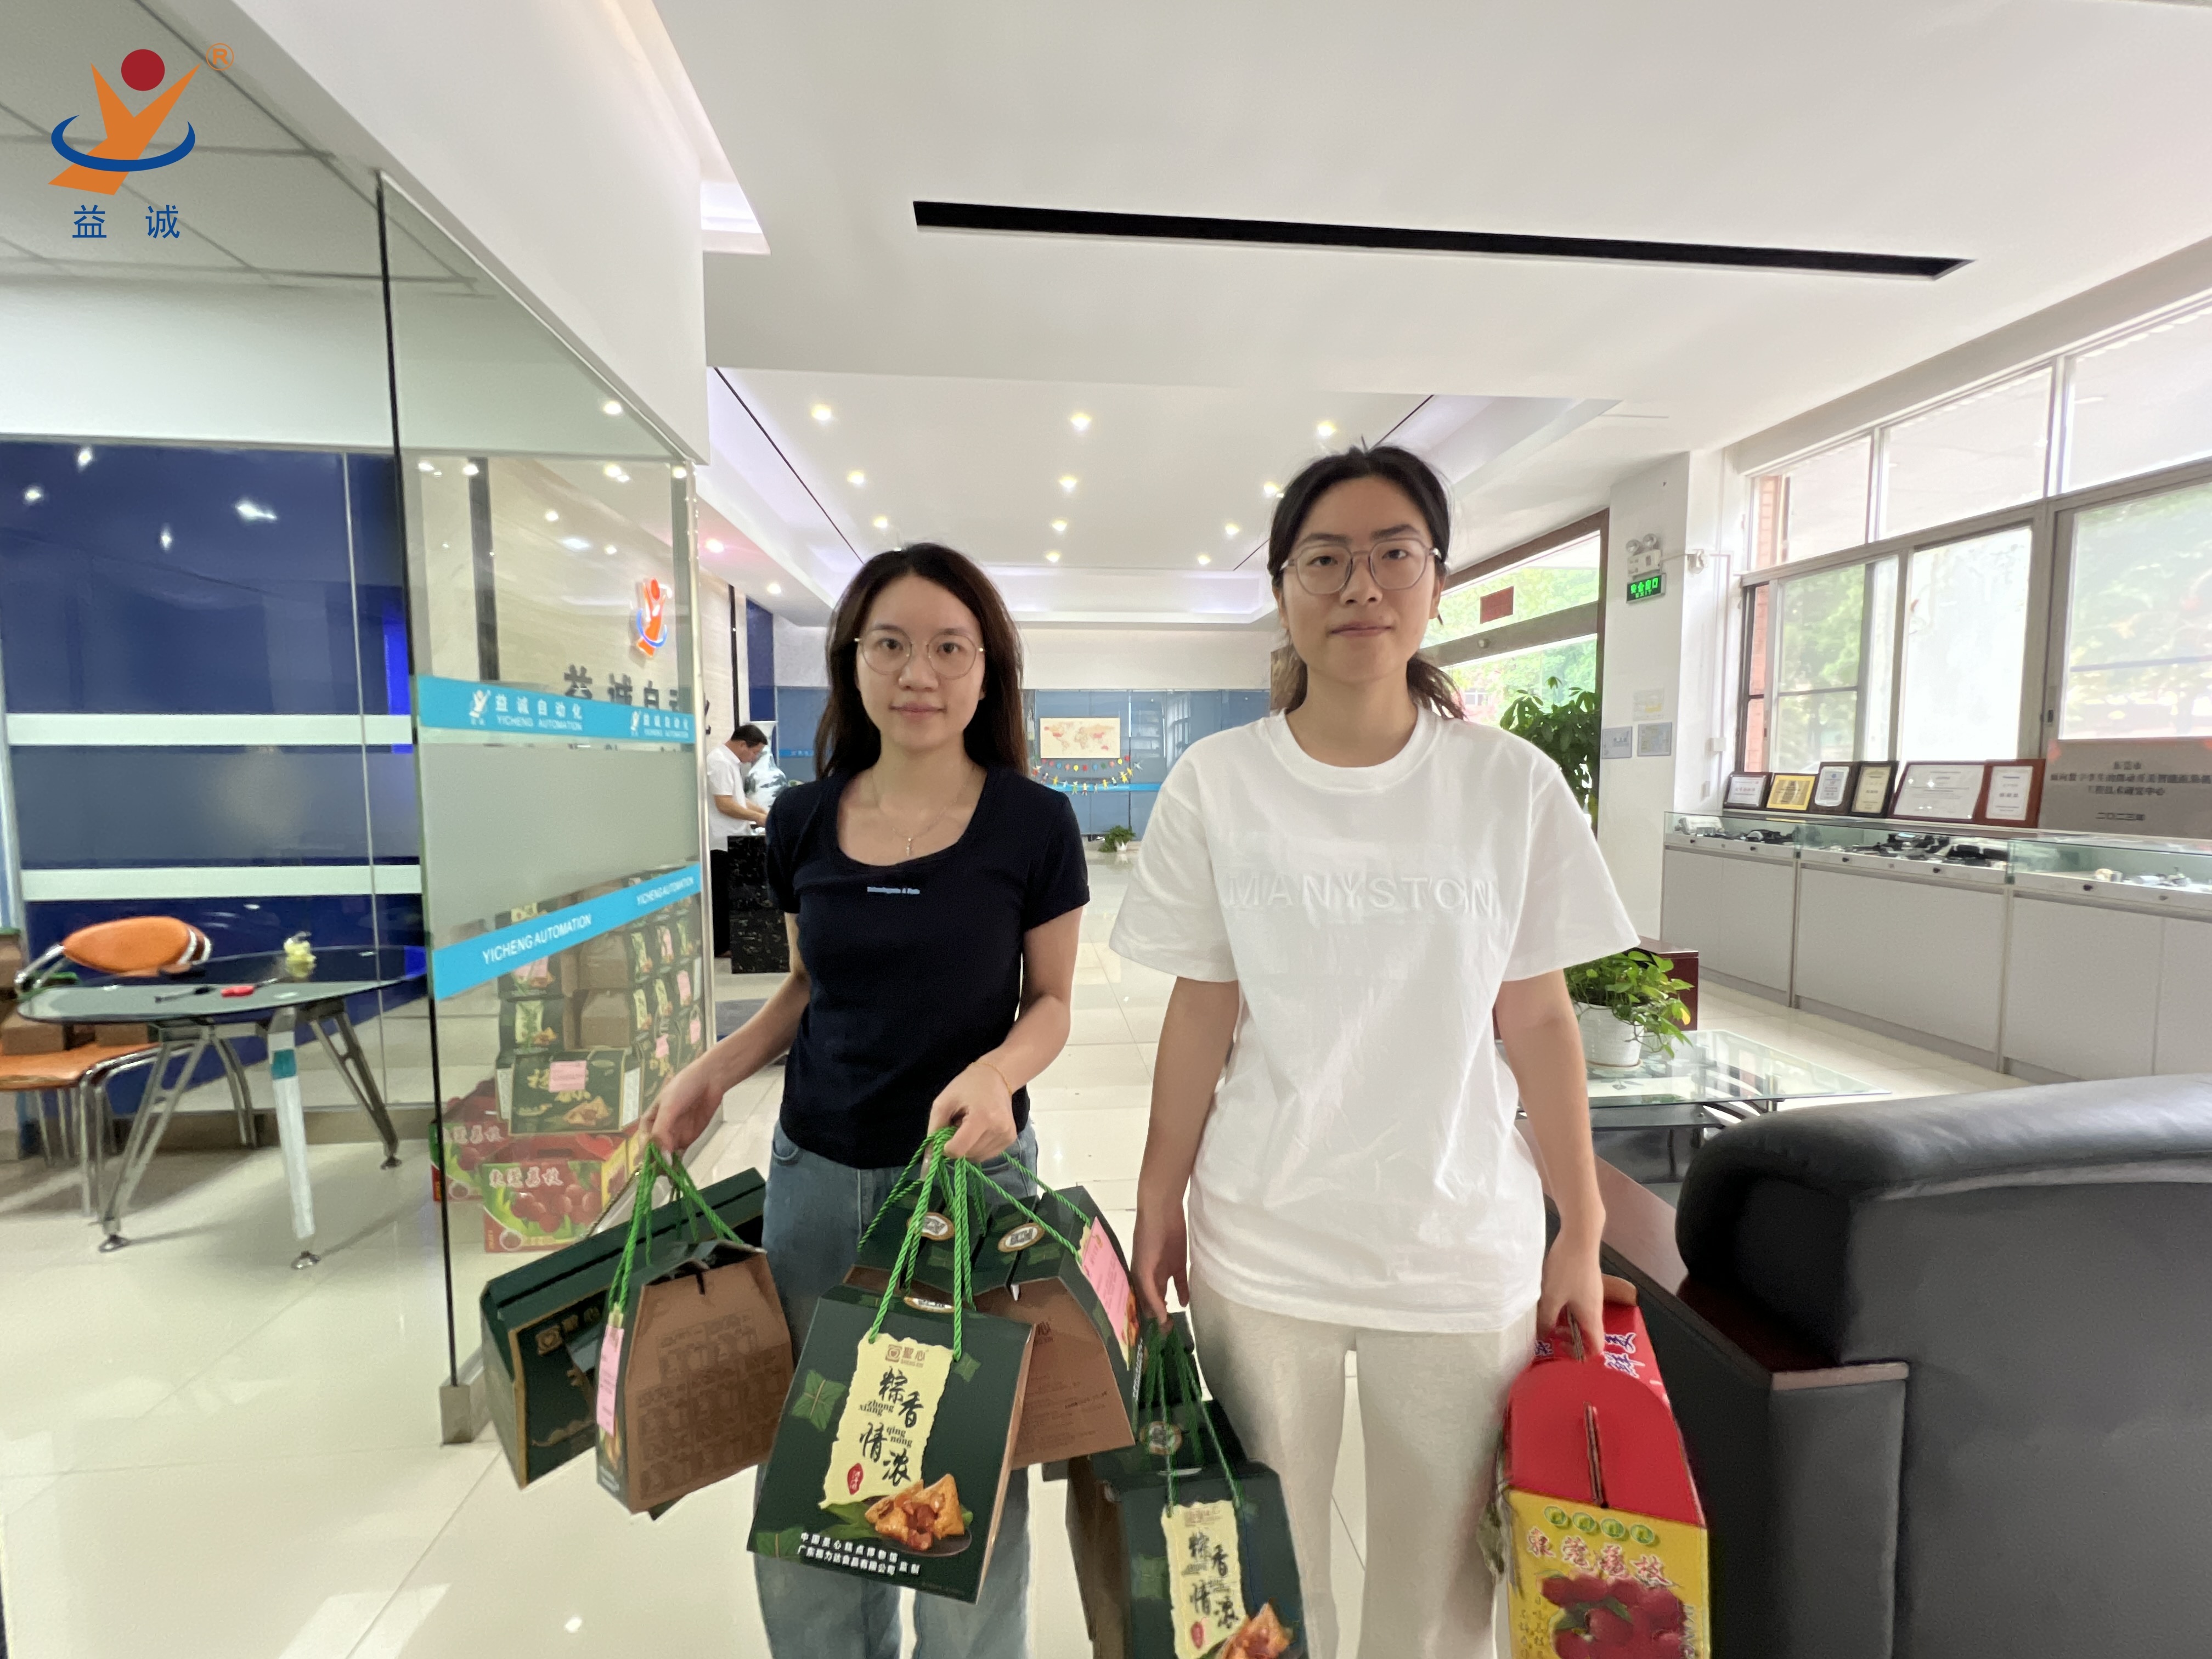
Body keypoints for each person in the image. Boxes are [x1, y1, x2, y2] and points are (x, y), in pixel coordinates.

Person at [1112, 446, 1637, 1659]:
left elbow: (1539, 1017)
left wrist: (1581, 1224)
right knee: (1268, 1579)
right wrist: (1156, 1198)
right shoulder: (1219, 782)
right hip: (1264, 1233)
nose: (1361, 584)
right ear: (1283, 590)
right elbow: (1201, 1009)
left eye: (1393, 553)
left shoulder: (1508, 785)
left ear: (1436, 581)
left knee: (1439, 1592)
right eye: (1325, 559)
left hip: (1456, 1246)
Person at [645, 544, 1087, 1659]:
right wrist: (713, 1068)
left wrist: (998, 1072)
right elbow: (808, 985)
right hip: (818, 1179)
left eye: (948, 647)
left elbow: (1051, 1003)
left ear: (987, 671)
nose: (917, 672)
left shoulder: (1035, 823)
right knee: (819, 1467)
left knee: (964, 1473)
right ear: (853, 661)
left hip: (971, 1190)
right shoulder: (801, 817)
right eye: (889, 643)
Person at [705, 723, 769, 963]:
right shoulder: (720, 762)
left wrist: (763, 811)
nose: (753, 758)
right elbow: (724, 804)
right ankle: (720, 945)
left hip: (733, 838)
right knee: (721, 897)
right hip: (720, 841)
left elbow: (738, 800)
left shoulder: (730, 763)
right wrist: (758, 818)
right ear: (743, 745)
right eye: (754, 752)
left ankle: (728, 941)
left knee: (730, 895)